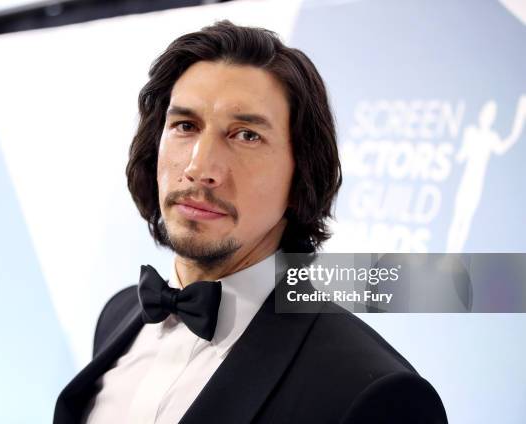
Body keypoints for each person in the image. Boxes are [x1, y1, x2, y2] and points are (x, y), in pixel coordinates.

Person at [54, 20, 447, 424]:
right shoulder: (118, 317)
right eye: (185, 127)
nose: (198, 167)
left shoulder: (377, 395)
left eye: (245, 136)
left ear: (302, 173)